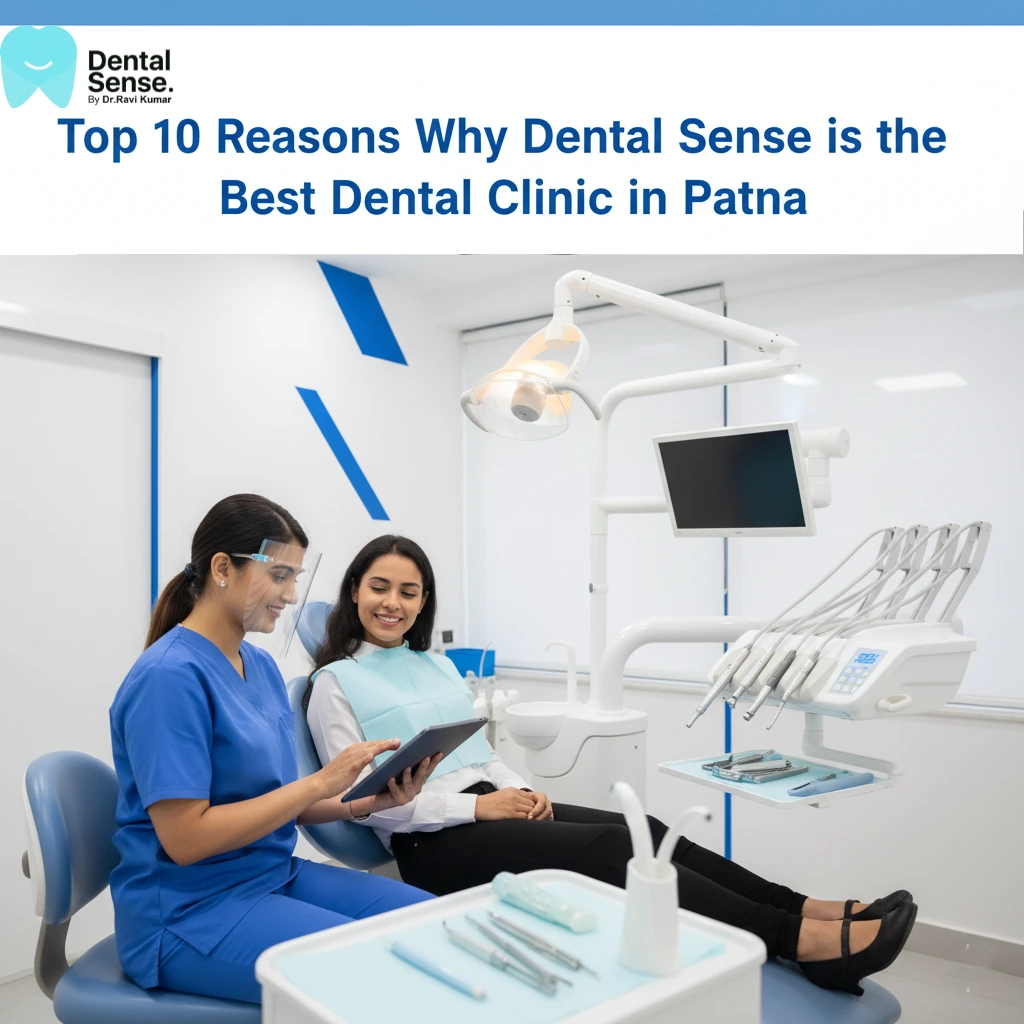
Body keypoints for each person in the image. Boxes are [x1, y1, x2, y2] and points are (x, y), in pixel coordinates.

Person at [305, 534, 918, 996]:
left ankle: (801, 907)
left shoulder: (436, 665)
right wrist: (479, 807)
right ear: (355, 590)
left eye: (408, 591)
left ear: (424, 602)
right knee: (610, 848)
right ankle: (800, 942)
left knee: (645, 829)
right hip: (431, 842)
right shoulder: (335, 683)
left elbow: (482, 753)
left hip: (493, 806)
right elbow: (365, 803)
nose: (393, 603)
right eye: (379, 587)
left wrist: (522, 791)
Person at [109, 496, 440, 1005]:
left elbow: (283, 802)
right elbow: (185, 841)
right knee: (376, 973)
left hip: (270, 875)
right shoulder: (168, 679)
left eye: (295, 578)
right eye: (280, 576)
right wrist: (320, 782)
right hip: (187, 912)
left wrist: (366, 801)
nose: (291, 595)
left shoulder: (260, 667)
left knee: (431, 924)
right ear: (223, 568)